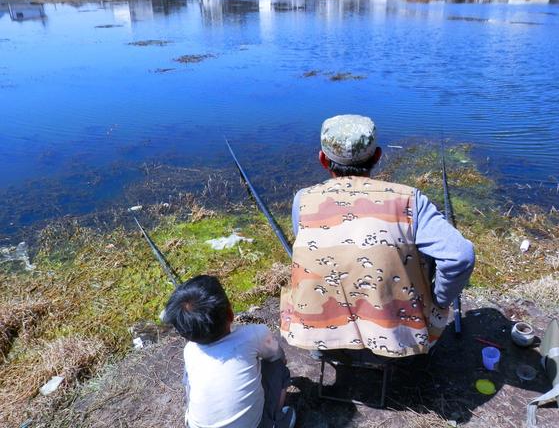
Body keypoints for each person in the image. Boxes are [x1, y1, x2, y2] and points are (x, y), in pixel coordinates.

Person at [280, 115, 475, 358]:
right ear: (377, 156)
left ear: (322, 159)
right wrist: (440, 300)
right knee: (422, 254)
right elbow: (460, 256)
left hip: (317, 332)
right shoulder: (410, 199)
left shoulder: (303, 199)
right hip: (396, 337)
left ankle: (326, 345)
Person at [164, 274, 296, 428]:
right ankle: (276, 421)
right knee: (278, 365)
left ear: (184, 333)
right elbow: (278, 356)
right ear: (230, 314)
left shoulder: (190, 351)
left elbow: (189, 390)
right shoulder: (253, 334)